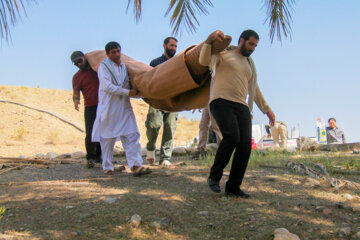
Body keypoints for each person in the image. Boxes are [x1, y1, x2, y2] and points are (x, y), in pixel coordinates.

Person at [200, 30, 275, 198]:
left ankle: (233, 186)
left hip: (241, 106)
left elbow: (254, 89)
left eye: (255, 45)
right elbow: (204, 61)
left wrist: (267, 109)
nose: (253, 48)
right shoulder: (223, 53)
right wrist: (207, 42)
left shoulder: (250, 64)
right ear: (241, 40)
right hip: (221, 101)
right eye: (251, 44)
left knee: (245, 146)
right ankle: (214, 176)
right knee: (232, 137)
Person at [92, 41, 151, 176]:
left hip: (124, 107)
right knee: (108, 137)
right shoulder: (104, 67)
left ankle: (135, 165)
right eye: (114, 52)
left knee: (132, 134)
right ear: (107, 54)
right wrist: (127, 92)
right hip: (109, 108)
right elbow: (107, 87)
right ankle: (107, 166)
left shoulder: (124, 67)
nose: (117, 54)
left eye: (118, 51)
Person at [145, 37, 179, 166]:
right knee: (153, 126)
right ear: (164, 45)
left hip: (174, 101)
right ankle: (150, 147)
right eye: (171, 45)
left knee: (170, 128)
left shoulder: (178, 63)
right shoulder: (155, 62)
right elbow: (148, 80)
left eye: (175, 46)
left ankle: (165, 158)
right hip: (157, 99)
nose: (173, 48)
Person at [71, 51, 102, 168]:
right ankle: (90, 158)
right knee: (90, 132)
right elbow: (75, 92)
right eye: (75, 63)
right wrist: (76, 101)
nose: (78, 64)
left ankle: (101, 156)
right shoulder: (77, 77)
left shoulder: (97, 69)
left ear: (85, 58)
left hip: (103, 105)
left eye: (80, 61)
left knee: (103, 131)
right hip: (90, 106)